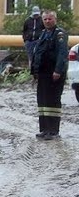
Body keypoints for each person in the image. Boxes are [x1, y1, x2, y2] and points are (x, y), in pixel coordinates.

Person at [31, 10, 68, 140]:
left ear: (55, 19)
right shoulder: (43, 34)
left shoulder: (59, 34)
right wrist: (34, 72)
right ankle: (44, 129)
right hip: (43, 73)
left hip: (54, 73)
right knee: (42, 102)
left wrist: (58, 70)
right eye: (45, 19)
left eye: (50, 19)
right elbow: (38, 53)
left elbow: (62, 54)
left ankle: (53, 131)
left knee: (52, 101)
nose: (47, 21)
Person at [23, 5, 45, 70]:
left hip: (39, 41)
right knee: (30, 57)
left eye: (37, 14)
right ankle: (31, 72)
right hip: (29, 42)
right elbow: (24, 30)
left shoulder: (42, 20)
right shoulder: (27, 21)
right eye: (35, 14)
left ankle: (39, 71)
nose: (36, 16)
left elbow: (45, 30)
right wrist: (25, 39)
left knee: (39, 56)